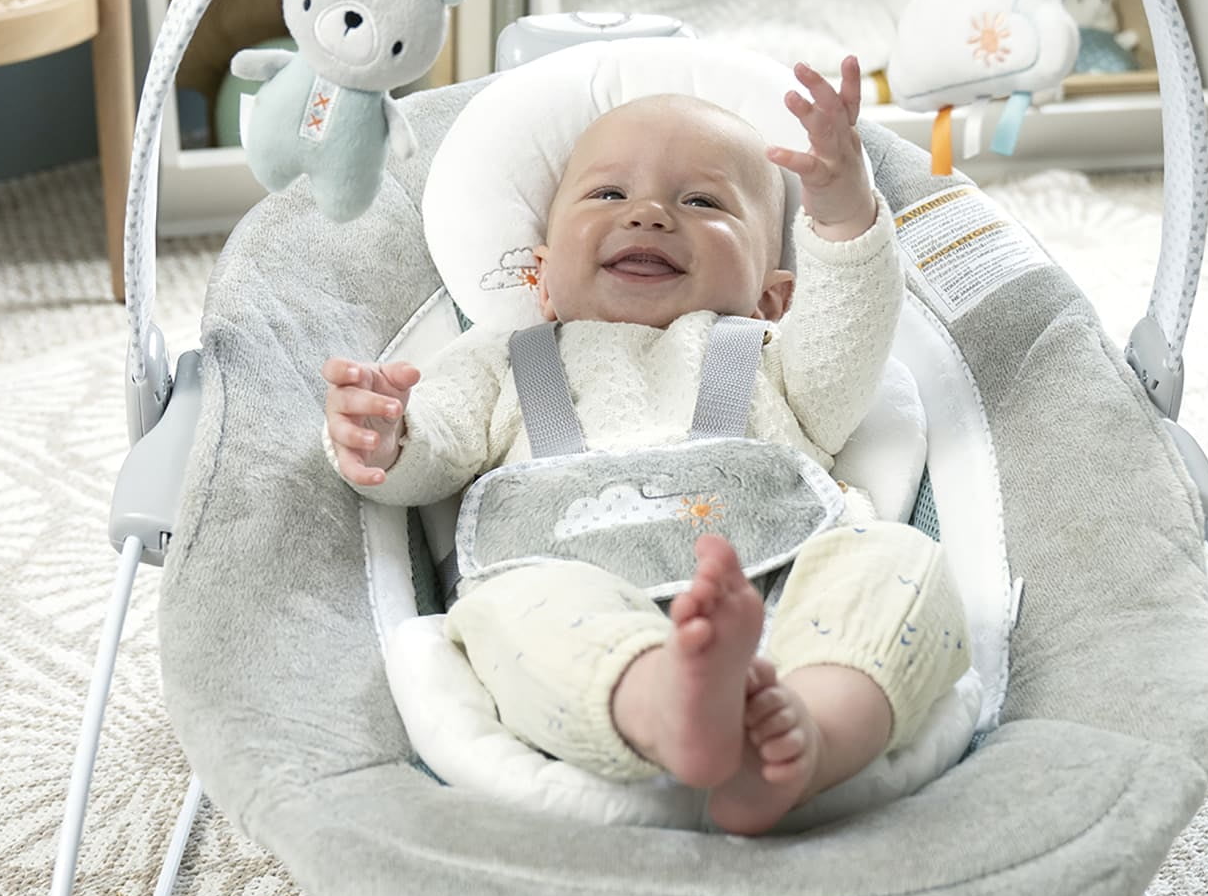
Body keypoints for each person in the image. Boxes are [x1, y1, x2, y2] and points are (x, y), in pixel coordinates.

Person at [322, 59, 968, 834]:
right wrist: (386, 435)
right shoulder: (502, 360)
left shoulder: (775, 356)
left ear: (773, 296)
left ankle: (807, 734)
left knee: (896, 562)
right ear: (541, 281)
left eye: (701, 201)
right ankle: (666, 703)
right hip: (578, 604)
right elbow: (433, 451)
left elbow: (849, 322)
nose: (650, 215)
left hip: (789, 615)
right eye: (607, 194)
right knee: (511, 611)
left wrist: (842, 209)